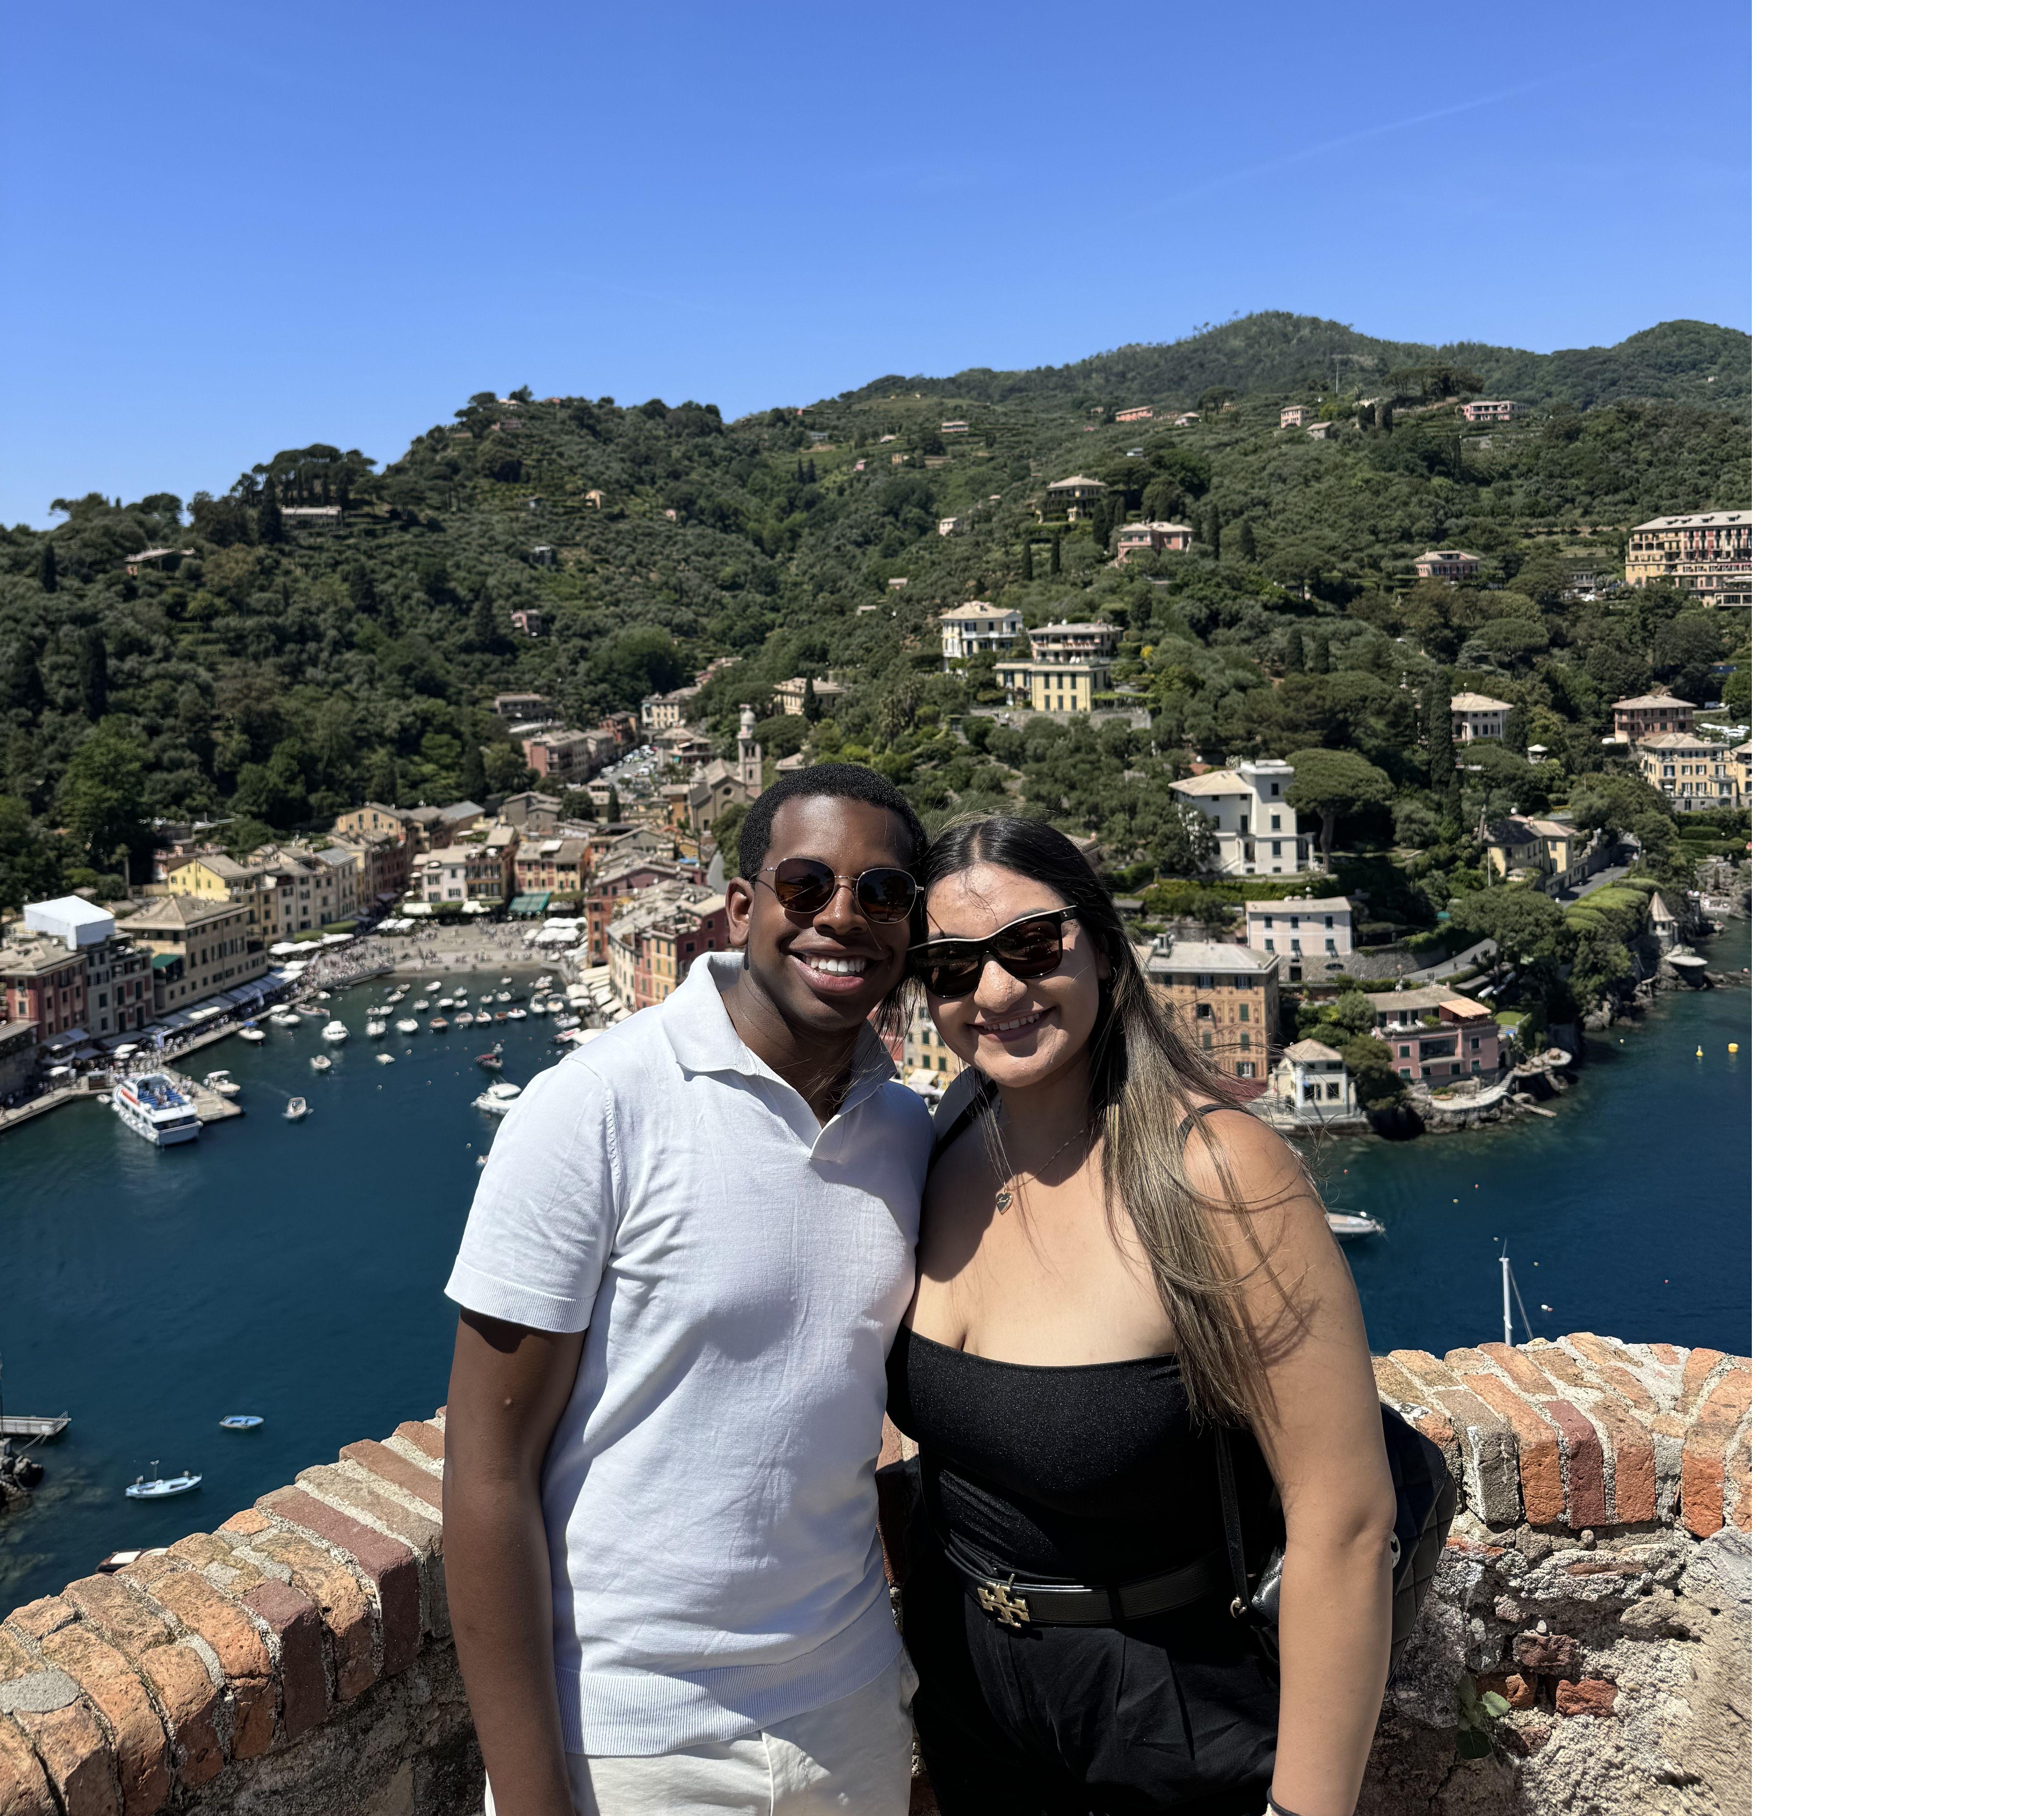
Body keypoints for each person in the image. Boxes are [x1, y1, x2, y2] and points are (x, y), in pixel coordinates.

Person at [442, 764, 936, 1816]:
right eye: (806, 885)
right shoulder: (592, 1107)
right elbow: (487, 1473)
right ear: (742, 908)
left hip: (852, 1716)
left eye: (883, 893)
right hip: (631, 1743)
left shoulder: (906, 1131)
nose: (843, 917)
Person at [887, 816, 1395, 1816]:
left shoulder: (1218, 1173)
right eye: (950, 967)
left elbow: (1344, 1518)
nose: (996, 991)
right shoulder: (950, 1130)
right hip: (963, 1687)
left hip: (1167, 1708)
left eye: (1033, 945)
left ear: (1105, 949)